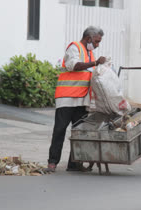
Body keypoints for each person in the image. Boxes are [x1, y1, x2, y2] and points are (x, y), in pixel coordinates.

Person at [46, 26, 106, 172]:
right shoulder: (74, 47)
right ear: (88, 38)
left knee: (78, 132)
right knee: (60, 130)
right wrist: (95, 63)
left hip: (82, 100)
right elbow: (74, 65)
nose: (98, 45)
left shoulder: (90, 54)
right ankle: (52, 162)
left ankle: (74, 163)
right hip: (66, 98)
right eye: (96, 41)